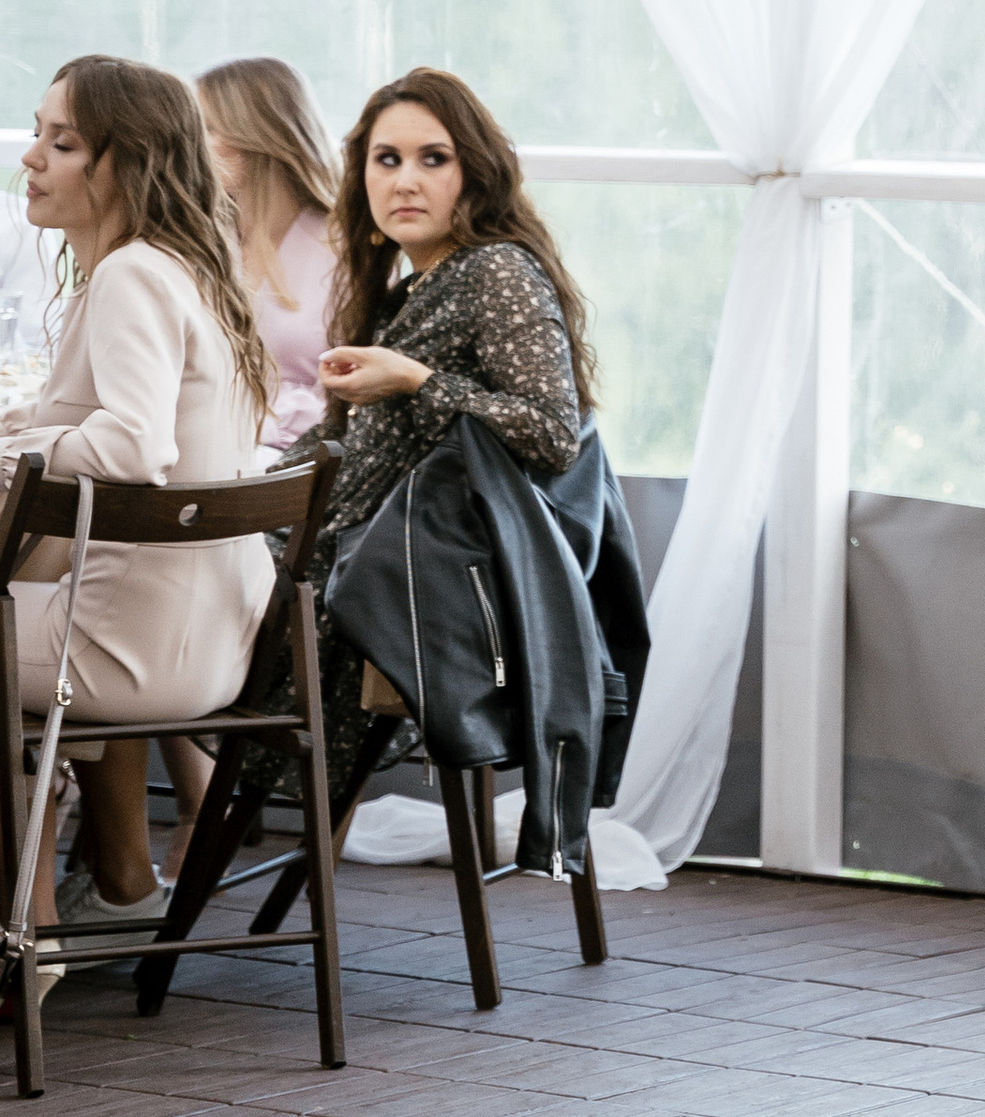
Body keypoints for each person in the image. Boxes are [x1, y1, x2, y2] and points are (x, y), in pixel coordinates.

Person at [281, 68, 591, 813]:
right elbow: (346, 447)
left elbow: (554, 435)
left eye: (433, 159)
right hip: (353, 562)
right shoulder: (405, 286)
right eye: (386, 160)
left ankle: (133, 872)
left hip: (405, 589)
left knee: (147, 613)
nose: (405, 182)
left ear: (474, 174)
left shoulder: (496, 273)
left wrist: (417, 380)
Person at [9, 60, 273, 925]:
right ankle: (113, 887)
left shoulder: (130, 276)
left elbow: (132, 445)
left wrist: (29, 441)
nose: (30, 158)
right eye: (38, 133)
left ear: (126, 163)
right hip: (208, 646)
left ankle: (27, 933)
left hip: (130, 655)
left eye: (63, 142)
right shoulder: (188, 269)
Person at [198, 57, 340, 449]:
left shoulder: (344, 250)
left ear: (253, 136)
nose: (188, 145)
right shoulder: (205, 242)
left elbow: (354, 398)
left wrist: (252, 425)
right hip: (199, 450)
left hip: (298, 466)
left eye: (205, 128)